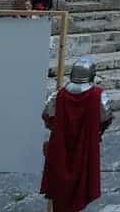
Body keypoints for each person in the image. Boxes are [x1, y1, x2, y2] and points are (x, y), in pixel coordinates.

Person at [40, 57, 113, 212]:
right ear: (92, 75)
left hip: (60, 148)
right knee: (81, 185)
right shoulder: (98, 96)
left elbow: (47, 117)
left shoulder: (57, 96)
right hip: (85, 148)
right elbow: (106, 118)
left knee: (59, 187)